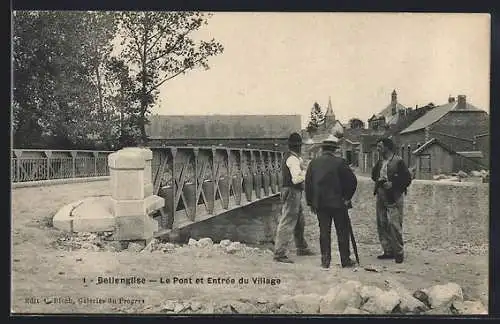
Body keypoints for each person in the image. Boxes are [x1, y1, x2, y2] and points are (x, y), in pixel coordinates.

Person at [305, 137, 358, 269]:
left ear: (322, 149)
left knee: (324, 232)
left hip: (320, 204)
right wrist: (347, 197)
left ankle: (325, 260)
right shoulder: (340, 162)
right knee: (342, 232)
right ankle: (345, 260)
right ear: (334, 150)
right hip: (338, 204)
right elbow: (352, 181)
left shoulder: (314, 163)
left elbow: (308, 184)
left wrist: (311, 202)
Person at [273, 132, 315, 263]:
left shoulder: (291, 157)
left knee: (299, 220)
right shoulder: (293, 159)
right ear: (298, 146)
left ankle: (301, 247)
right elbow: (296, 179)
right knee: (288, 221)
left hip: (291, 191)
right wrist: (306, 173)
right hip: (293, 192)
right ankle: (279, 253)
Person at [371, 137, 412, 264]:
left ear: (387, 147)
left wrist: (393, 184)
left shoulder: (398, 161)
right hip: (381, 195)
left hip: (394, 196)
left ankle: (399, 253)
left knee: (395, 224)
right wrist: (379, 182)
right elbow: (374, 175)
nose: (378, 149)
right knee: (382, 223)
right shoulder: (380, 161)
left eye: (380, 146)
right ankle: (388, 251)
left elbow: (407, 179)